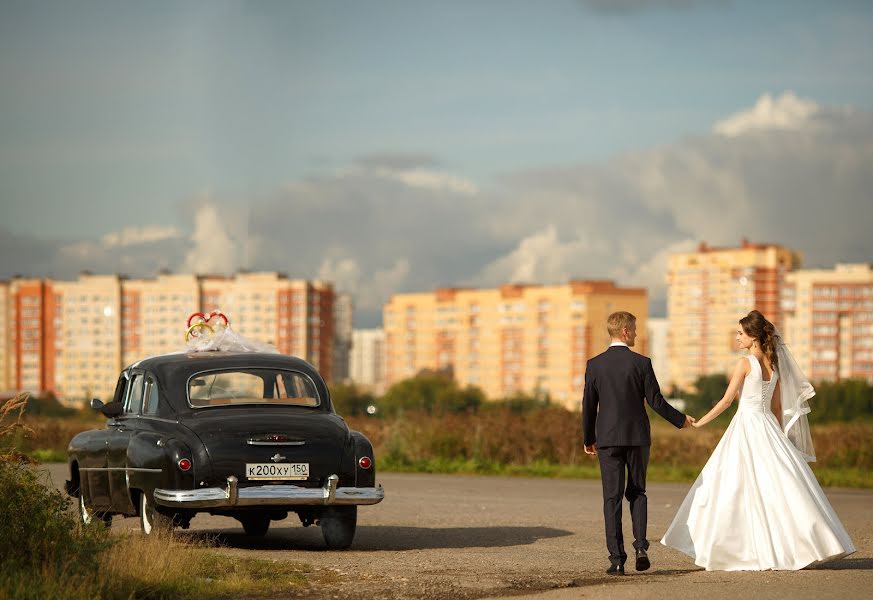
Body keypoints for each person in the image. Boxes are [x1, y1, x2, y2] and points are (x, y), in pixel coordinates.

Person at [661, 310, 855, 570]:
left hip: (747, 425)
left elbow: (727, 401)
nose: (737, 337)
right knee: (779, 486)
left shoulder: (745, 363)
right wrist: (781, 438)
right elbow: (776, 408)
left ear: (753, 337)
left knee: (733, 484)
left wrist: (701, 421)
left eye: (741, 333)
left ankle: (744, 547)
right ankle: (805, 543)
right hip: (767, 427)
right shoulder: (773, 365)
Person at [583, 311, 694, 576]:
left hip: (608, 440)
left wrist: (589, 438)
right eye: (634, 329)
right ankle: (641, 547)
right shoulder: (642, 363)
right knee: (637, 492)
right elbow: (656, 402)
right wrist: (681, 420)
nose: (636, 333)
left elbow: (589, 405)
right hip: (637, 438)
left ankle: (617, 560)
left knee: (611, 499)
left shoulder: (595, 364)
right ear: (624, 331)